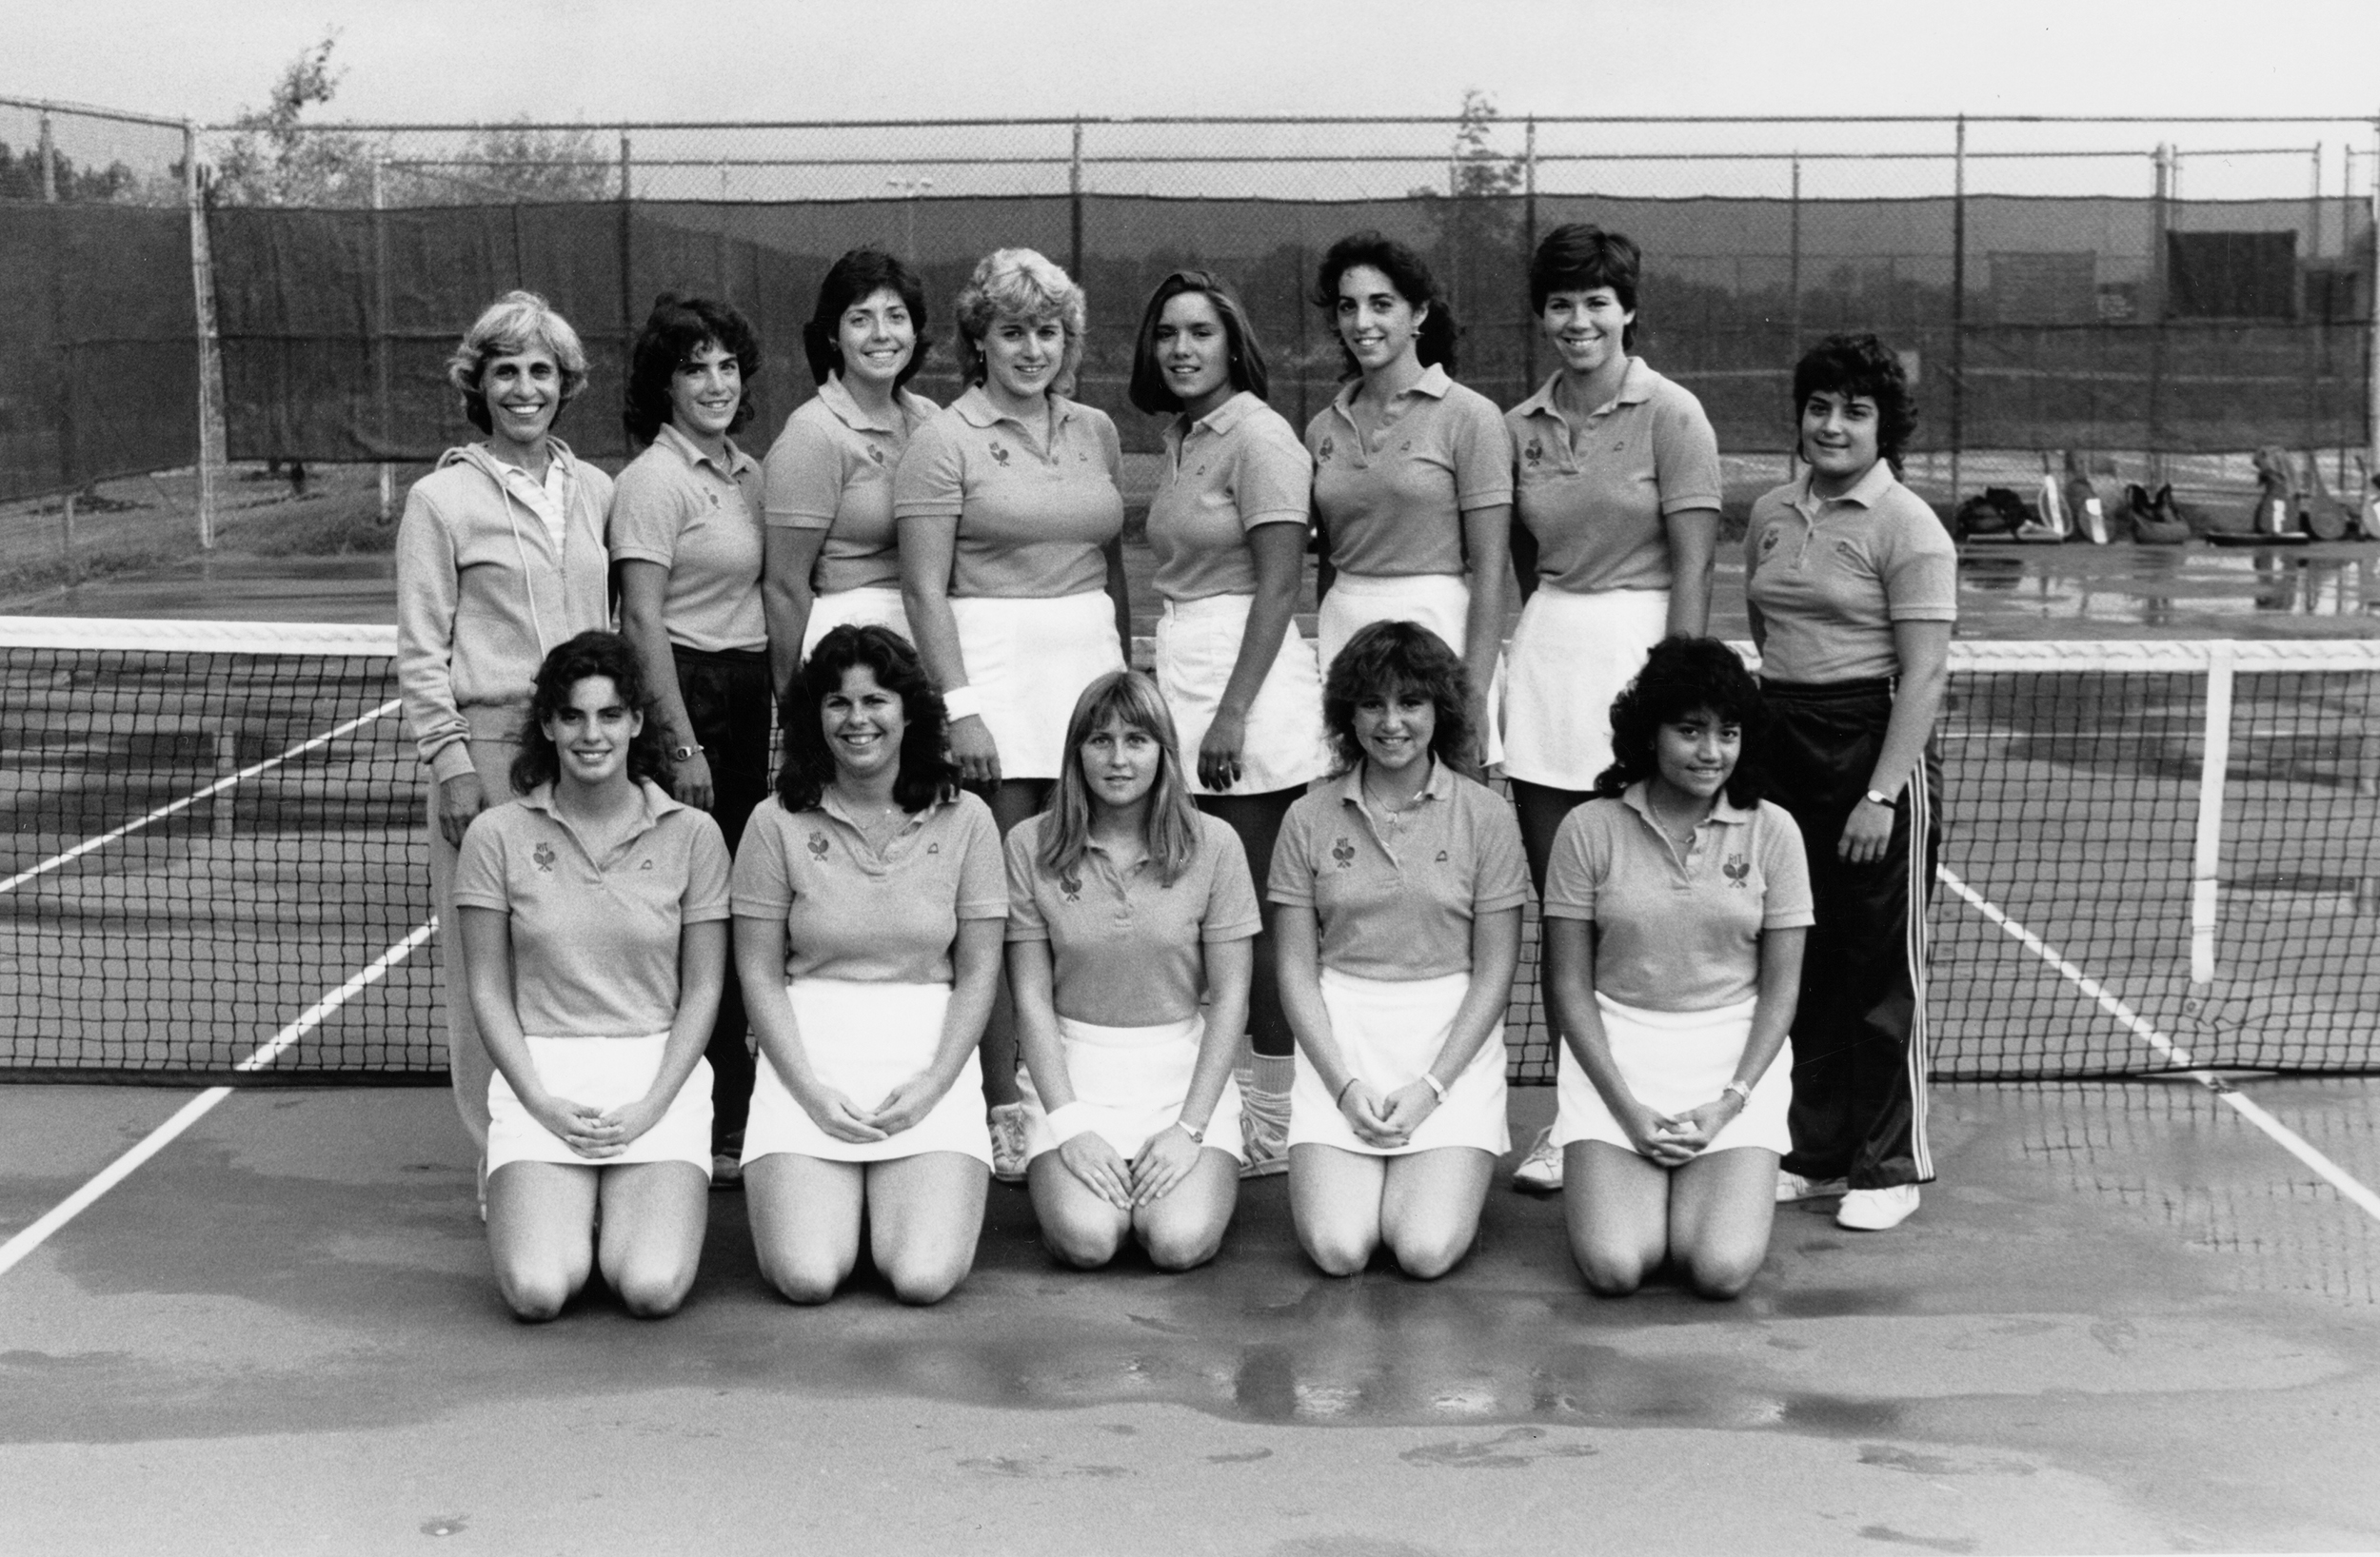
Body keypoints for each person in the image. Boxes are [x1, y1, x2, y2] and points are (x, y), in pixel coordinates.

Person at [894, 247, 1131, 1180]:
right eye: (1011, 331)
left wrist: (1124, 687)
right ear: (978, 342)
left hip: (1089, 688)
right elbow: (921, 588)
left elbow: (1111, 573)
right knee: (996, 911)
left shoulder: (1098, 433)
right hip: (990, 690)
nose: (1030, 348)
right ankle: (999, 1104)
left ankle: (1073, 1090)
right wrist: (962, 712)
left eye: (1046, 330)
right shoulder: (942, 440)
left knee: (1081, 897)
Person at [1502, 225, 1726, 1193]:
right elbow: (1516, 566)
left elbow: (1695, 565)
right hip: (1549, 667)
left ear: (1626, 308)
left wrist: (1674, 694)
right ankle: (1573, 1119)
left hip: (1642, 660)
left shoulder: (1674, 416)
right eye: (1560, 303)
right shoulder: (1515, 428)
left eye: (1596, 301)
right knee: (1570, 911)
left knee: (1653, 903)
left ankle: (1683, 1107)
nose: (1577, 320)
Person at [396, 290, 612, 1175]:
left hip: (591, 751)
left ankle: (584, 1133)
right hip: (488, 753)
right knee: (485, 963)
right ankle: (504, 1160)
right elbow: (421, 646)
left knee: (576, 951)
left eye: (542, 372)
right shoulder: (439, 499)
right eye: (506, 372)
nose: (526, 389)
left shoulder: (598, 489)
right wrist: (451, 761)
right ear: (477, 385)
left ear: (566, 384)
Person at [452, 631, 728, 1320]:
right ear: (546, 724)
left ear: (637, 721)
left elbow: (703, 989)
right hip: (543, 1073)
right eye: (572, 716)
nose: (591, 734)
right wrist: (541, 1103)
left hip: (656, 1075)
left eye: (609, 715)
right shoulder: (496, 836)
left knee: (650, 1288)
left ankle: (613, 1206)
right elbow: (487, 989)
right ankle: (546, 1193)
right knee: (540, 1292)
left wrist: (654, 1104)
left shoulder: (694, 835)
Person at [1744, 333, 1954, 1233]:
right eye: (1819, 407)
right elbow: (1765, 622)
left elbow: (1928, 676)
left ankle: (1887, 1164)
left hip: (1874, 749)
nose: (1832, 426)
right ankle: (1819, 1154)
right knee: (1804, 958)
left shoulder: (1909, 525)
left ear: (1884, 427)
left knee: (1876, 972)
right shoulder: (1768, 513)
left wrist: (1881, 793)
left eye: (1855, 411)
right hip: (1783, 737)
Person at [731, 625, 1004, 1304]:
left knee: (921, 1277)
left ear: (909, 711)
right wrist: (810, 1091)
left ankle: (889, 1200)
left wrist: (936, 1082)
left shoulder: (968, 818)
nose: (858, 720)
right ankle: (835, 1200)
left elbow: (978, 973)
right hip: (808, 1062)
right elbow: (759, 974)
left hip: (925, 1063)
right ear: (813, 718)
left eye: (876, 700)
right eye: (837, 703)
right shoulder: (773, 822)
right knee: (807, 1276)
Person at [1128, 267, 1327, 1178]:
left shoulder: (1262, 437)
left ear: (1232, 342)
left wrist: (1233, 712)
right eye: (1167, 332)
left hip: (1249, 689)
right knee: (1209, 908)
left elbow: (1281, 586)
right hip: (1187, 673)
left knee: (1256, 918)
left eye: (1200, 332)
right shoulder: (1180, 438)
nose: (1181, 348)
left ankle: (1278, 1123)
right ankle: (1236, 1106)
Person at [1539, 638, 1810, 1297]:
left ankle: (1718, 1172)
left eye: (1728, 733)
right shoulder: (1586, 829)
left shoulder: (1775, 831)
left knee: (1718, 1270)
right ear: (1650, 733)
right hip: (1615, 1060)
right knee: (1617, 1268)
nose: (1711, 752)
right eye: (1690, 731)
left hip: (1732, 1062)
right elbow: (1569, 985)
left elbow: (1782, 989)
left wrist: (1730, 1103)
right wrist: (1626, 1110)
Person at [1269, 621, 1528, 1278]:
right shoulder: (1306, 817)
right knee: (1339, 1250)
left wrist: (1434, 1086)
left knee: (1422, 1250)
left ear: (1439, 711)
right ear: (1346, 714)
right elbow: (1296, 969)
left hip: (1450, 1050)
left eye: (1410, 702)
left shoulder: (1488, 816)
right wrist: (1343, 1084)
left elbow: (1496, 970)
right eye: (1372, 704)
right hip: (1343, 1045)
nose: (1391, 723)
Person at [1006, 671, 1258, 1271]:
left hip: (1183, 1081)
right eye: (1100, 740)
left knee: (1176, 1243)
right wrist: (1070, 1127)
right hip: (1072, 1075)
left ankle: (1208, 1163)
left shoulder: (1216, 844)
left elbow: (1230, 998)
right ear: (1076, 754)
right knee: (1089, 1242)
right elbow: (1031, 1000)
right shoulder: (1027, 844)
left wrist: (1189, 1130)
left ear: (1163, 752)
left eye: (1137, 741)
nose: (1118, 759)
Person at [611, 292, 770, 1185]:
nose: (713, 383)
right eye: (692, 367)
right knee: (690, 914)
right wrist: (678, 743)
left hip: (750, 699)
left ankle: (741, 1114)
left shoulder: (748, 475)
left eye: (725, 365)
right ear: (661, 384)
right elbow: (641, 620)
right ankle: (705, 1119)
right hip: (690, 702)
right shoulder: (652, 482)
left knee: (745, 906)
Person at [1304, 232, 1511, 760]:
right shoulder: (1320, 428)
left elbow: (1490, 569)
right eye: (1348, 307)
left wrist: (1477, 693)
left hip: (1439, 628)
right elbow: (1328, 559)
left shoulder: (1471, 416)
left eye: (1381, 304)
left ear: (1418, 313)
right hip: (1345, 630)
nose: (1361, 322)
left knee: (1451, 811)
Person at [762, 248, 940, 696]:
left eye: (896, 317)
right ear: (834, 336)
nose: (882, 334)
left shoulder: (933, 422)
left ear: (915, 330)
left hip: (927, 639)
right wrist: (795, 705)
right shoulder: (812, 433)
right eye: (861, 319)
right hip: (846, 653)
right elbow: (784, 587)